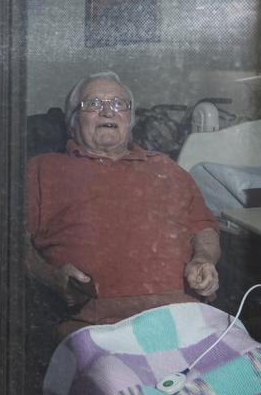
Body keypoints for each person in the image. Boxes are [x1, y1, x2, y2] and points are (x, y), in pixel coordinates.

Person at [26, 71, 220, 338]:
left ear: (129, 120)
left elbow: (204, 228)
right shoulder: (42, 169)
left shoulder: (166, 168)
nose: (108, 112)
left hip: (185, 315)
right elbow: (12, 244)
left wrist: (204, 259)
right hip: (96, 326)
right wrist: (52, 276)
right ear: (72, 123)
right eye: (93, 104)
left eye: (119, 104)